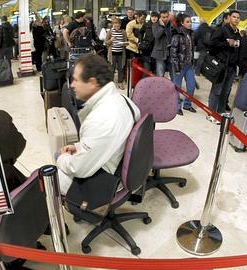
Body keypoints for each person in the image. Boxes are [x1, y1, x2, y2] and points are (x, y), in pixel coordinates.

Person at [56, 54, 140, 194]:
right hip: (115, 162)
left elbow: (80, 169)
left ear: (92, 82)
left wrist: (63, 158)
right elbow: (102, 141)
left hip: (104, 179)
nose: (72, 85)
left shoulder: (100, 119)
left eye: (76, 80)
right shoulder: (124, 100)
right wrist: (78, 147)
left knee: (49, 172)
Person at [207, 10, 242, 123]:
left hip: (231, 67)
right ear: (229, 18)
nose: (236, 19)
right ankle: (211, 113)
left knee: (225, 91)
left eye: (238, 17)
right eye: (234, 17)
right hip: (221, 65)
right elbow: (212, 44)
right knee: (217, 90)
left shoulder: (237, 33)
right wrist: (227, 43)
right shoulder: (222, 30)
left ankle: (220, 111)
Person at [171, 14, 197, 116]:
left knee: (191, 86)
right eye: (187, 21)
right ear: (182, 23)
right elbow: (173, 53)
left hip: (189, 65)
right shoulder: (177, 34)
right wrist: (176, 67)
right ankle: (176, 106)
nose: (190, 23)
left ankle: (187, 104)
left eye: (190, 21)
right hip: (179, 65)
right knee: (177, 87)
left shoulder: (192, 34)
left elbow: (191, 50)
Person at [105, 17, 127, 89]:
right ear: (112, 25)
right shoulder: (110, 32)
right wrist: (111, 40)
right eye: (115, 26)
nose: (116, 27)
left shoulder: (123, 32)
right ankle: (111, 84)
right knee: (112, 68)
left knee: (121, 68)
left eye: (118, 26)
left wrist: (124, 43)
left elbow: (125, 42)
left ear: (120, 25)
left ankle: (120, 83)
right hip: (112, 53)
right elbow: (106, 42)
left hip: (121, 53)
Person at [151, 10, 172, 78]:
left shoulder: (170, 25)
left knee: (172, 72)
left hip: (170, 51)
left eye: (167, 17)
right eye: (163, 17)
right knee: (160, 72)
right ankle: (159, 87)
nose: (165, 19)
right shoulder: (155, 25)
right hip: (160, 51)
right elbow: (156, 36)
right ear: (160, 18)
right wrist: (162, 27)